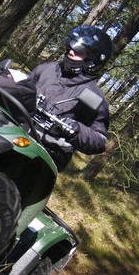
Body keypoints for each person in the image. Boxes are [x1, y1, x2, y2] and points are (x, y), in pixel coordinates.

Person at [28, 25, 112, 171]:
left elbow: (100, 140)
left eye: (80, 51)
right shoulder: (47, 69)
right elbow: (22, 88)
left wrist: (77, 130)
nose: (71, 51)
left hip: (47, 154)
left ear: (93, 61)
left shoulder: (91, 95)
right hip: (17, 131)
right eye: (71, 46)